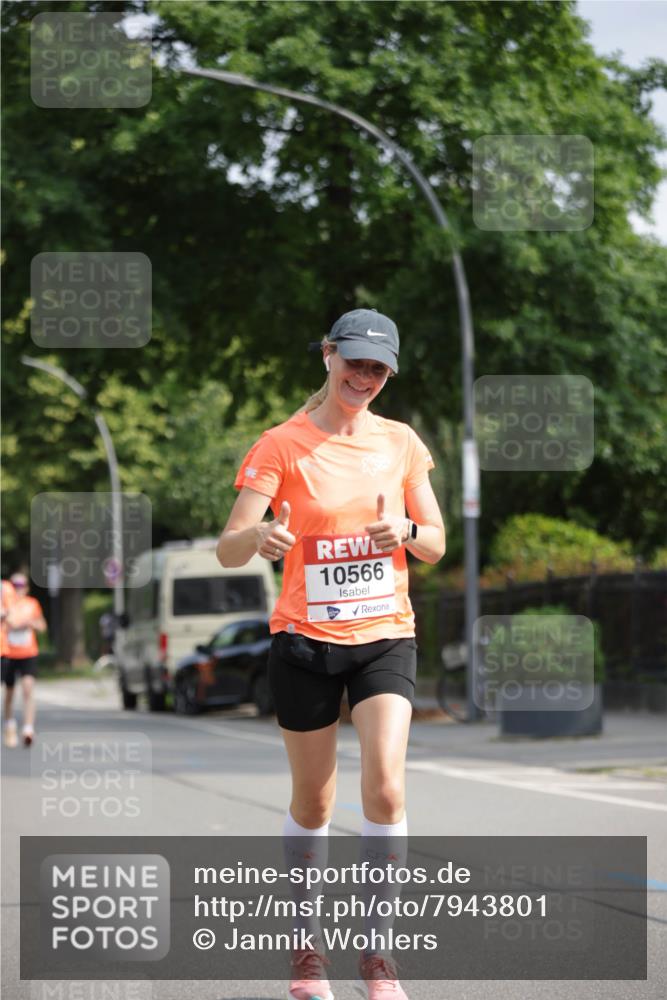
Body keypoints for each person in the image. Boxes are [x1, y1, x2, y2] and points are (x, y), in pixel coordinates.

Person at [217, 308, 446, 1000]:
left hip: (384, 635)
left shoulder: (401, 443)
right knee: (314, 801)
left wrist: (404, 529)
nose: (365, 377)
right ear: (327, 356)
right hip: (304, 642)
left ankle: (377, 957)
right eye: (355, 363)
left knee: (385, 786)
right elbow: (227, 546)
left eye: (378, 368)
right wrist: (258, 538)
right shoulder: (280, 446)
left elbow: (434, 544)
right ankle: (305, 949)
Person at [2, 573, 47, 747]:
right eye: (15, 585)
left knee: (28, 688)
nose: (18, 588)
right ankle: (9, 724)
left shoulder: (32, 604)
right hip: (8, 652)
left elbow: (42, 626)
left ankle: (28, 728)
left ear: (27, 587)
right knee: (9, 692)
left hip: (28, 652)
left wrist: (31, 623)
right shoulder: (6, 604)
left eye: (21, 585)